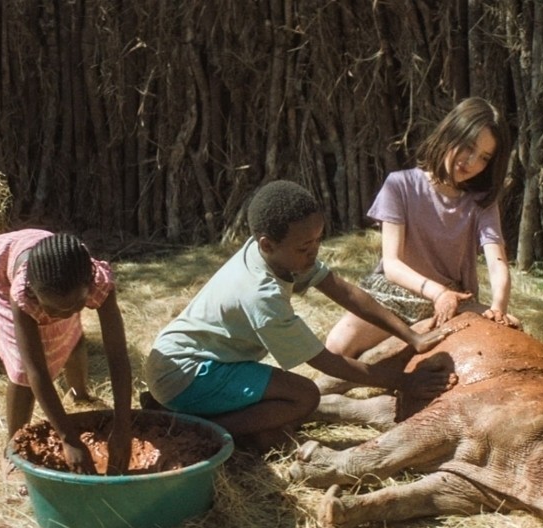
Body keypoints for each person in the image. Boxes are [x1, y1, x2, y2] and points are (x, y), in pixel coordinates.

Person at [143, 180, 457, 452]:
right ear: (268, 244)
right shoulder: (261, 295)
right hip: (186, 373)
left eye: (319, 241)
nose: (314, 253)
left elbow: (344, 291)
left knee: (282, 411)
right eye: (305, 247)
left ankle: (216, 420)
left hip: (195, 361)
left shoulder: (279, 255)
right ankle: (196, 428)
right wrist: (403, 381)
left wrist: (411, 336)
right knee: (303, 397)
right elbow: (326, 362)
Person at [325, 97, 520, 360]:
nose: (471, 161)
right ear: (450, 133)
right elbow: (392, 265)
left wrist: (498, 308)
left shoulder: (481, 203)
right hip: (392, 296)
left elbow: (497, 263)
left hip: (454, 300)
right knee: (336, 348)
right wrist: (436, 293)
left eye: (484, 157)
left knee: (515, 335)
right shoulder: (400, 186)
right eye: (467, 146)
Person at [0, 229, 132, 474]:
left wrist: (123, 427)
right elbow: (35, 370)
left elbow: (118, 356)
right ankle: (13, 448)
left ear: (88, 285)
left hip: (52, 261)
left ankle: (79, 394)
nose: (65, 314)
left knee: (68, 333)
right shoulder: (22, 297)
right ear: (35, 294)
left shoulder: (96, 282)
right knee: (21, 370)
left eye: (77, 305)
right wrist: (68, 438)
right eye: (55, 308)